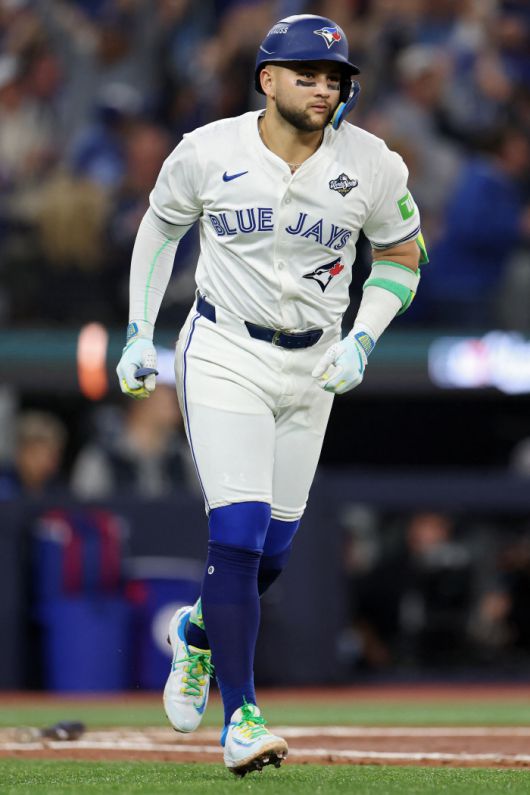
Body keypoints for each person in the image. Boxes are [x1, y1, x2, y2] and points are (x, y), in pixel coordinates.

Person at [116, 13, 426, 777]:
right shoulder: (209, 149)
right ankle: (242, 716)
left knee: (274, 555)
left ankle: (196, 630)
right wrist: (135, 329)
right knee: (242, 524)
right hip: (224, 348)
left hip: (315, 364)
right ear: (267, 79)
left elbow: (401, 255)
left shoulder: (374, 163)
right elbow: (159, 231)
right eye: (306, 75)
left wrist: (364, 334)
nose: (324, 88)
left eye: (335, 78)